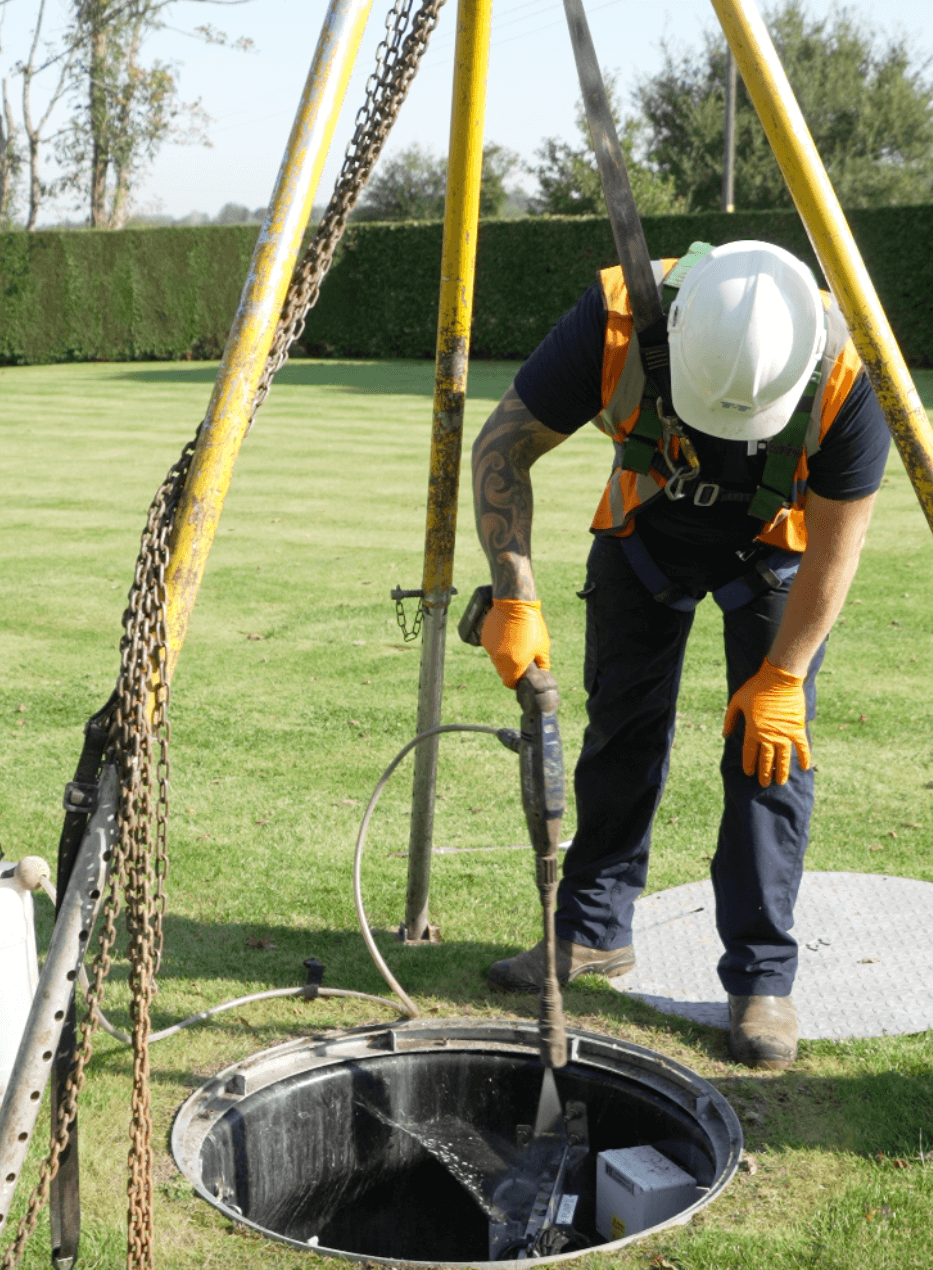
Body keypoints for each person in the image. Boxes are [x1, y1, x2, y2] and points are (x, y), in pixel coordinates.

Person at [471, 240, 889, 1070]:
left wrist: (783, 675)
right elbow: (500, 450)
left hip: (777, 553)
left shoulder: (845, 371)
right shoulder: (617, 318)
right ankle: (590, 933)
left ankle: (761, 978)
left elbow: (840, 544)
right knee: (621, 727)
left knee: (770, 754)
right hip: (643, 531)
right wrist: (513, 592)